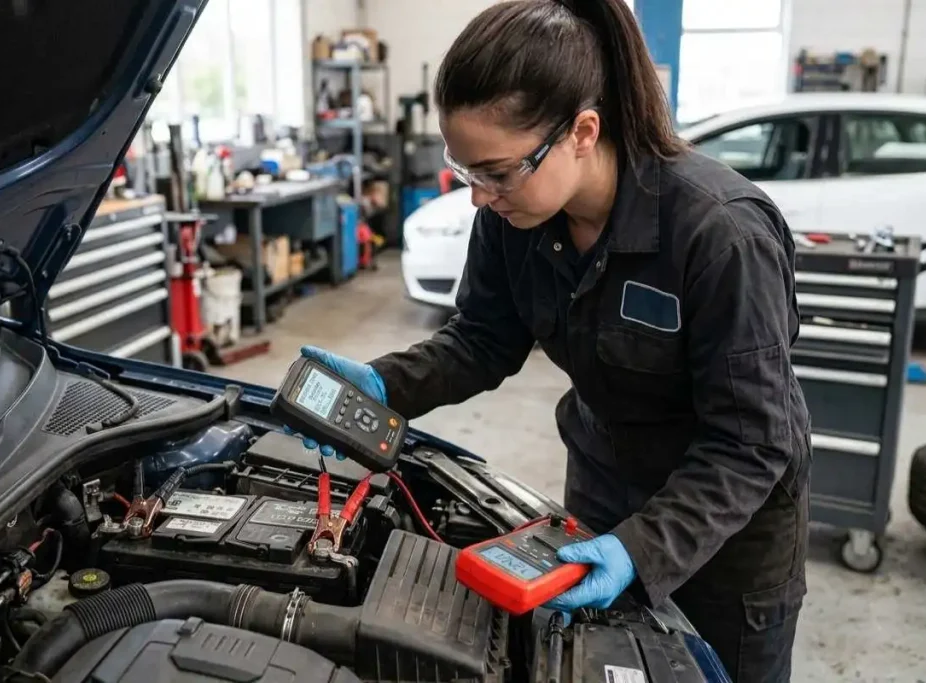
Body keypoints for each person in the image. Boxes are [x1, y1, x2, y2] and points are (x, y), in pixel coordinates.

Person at [291, 1, 811, 680]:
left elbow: (752, 441)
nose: (479, 197)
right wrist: (384, 384)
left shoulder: (721, 235)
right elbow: (482, 339)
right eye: (466, 172)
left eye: (496, 172)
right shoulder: (514, 215)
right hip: (601, 488)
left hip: (724, 535)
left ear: (583, 132)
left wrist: (641, 548)